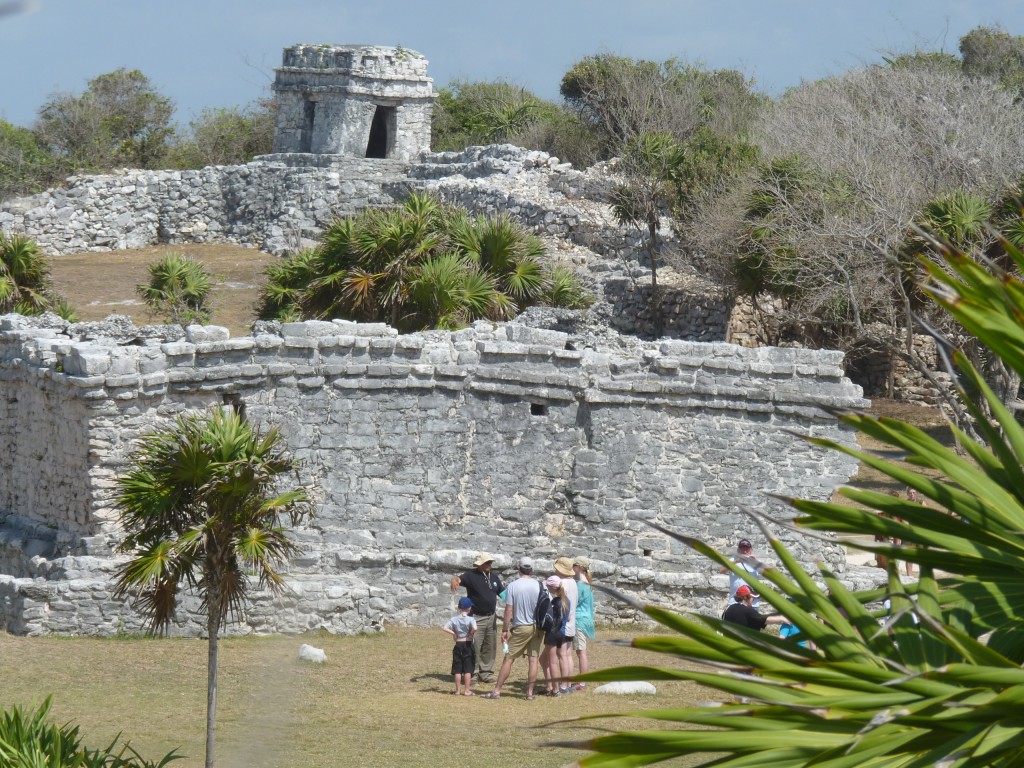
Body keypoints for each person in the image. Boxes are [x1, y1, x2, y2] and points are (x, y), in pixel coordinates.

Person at [483, 557, 542, 700]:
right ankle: (529, 693)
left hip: (521, 626)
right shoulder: (540, 585)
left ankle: (497, 691)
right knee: (533, 659)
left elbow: (509, 610)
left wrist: (504, 629)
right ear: (532, 570)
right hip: (537, 627)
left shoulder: (514, 586)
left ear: (519, 568)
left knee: (508, 658)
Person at [450, 551, 504, 683]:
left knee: (489, 646)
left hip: (491, 617)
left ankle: (485, 673)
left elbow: (503, 594)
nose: (489, 564)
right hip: (476, 617)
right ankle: (472, 673)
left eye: (490, 562)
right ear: (480, 564)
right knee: (474, 646)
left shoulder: (494, 577)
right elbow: (459, 579)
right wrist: (454, 579)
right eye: (486, 562)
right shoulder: (471, 575)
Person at [552, 556, 578, 694]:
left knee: (562, 655)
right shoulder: (573, 582)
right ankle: (567, 683)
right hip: (571, 622)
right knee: (567, 655)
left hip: (563, 623)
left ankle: (563, 685)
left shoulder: (562, 583)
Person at [443, 596, 478, 696]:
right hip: (467, 643)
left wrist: (453, 633)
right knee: (468, 669)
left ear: (459, 608)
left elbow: (445, 628)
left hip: (458, 643)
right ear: (469, 608)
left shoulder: (454, 619)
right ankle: (467, 690)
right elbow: (475, 628)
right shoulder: (471, 619)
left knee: (457, 669)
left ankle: (457, 691)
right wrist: (471, 633)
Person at [539, 575, 567, 696]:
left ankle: (555, 689)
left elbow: (554, 619)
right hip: (561, 633)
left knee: (552, 662)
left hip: (553, 633)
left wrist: (549, 630)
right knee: (543, 659)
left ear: (551, 587)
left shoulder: (555, 601)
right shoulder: (566, 600)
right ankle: (549, 686)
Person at [571, 556, 595, 692]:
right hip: (586, 619)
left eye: (574, 565)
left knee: (581, 652)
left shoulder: (580, 585)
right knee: (581, 651)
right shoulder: (588, 584)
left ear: (579, 567)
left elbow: (575, 602)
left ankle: (583, 681)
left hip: (579, 619)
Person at [722, 585, 787, 631]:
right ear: (746, 597)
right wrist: (782, 618)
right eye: (753, 598)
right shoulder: (747, 610)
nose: (753, 600)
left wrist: (777, 614)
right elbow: (763, 620)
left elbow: (760, 617)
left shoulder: (728, 608)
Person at [720, 539, 760, 608]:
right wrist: (736, 561)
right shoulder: (732, 560)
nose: (744, 551)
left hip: (752, 603)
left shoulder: (756, 563)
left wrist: (755, 560)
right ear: (738, 550)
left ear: (751, 550)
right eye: (742, 549)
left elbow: (768, 573)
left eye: (747, 549)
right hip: (735, 601)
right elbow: (722, 570)